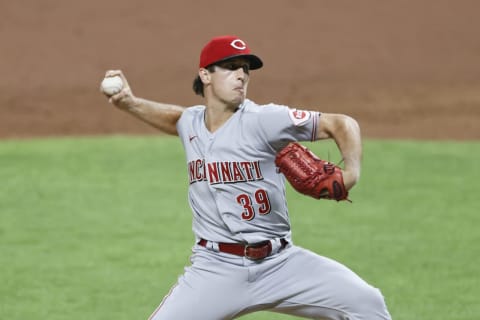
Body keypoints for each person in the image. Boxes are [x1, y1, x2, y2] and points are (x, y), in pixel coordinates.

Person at [101, 35, 392, 320]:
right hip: (215, 269)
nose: (241, 75)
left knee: (367, 304)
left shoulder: (264, 120)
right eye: (231, 66)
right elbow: (176, 119)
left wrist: (351, 173)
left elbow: (342, 123)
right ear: (205, 75)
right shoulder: (190, 122)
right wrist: (129, 103)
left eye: (246, 69)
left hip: (280, 264)